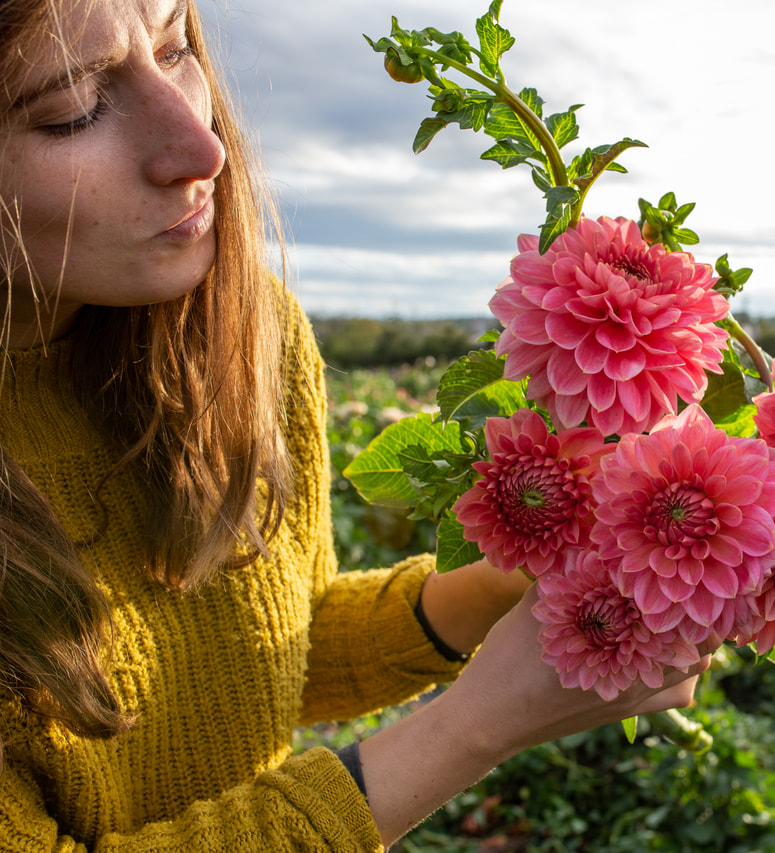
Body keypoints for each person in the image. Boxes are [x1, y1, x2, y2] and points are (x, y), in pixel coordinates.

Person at [0, 0, 710, 848]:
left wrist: (498, 582)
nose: (203, 147)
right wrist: (468, 730)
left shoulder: (238, 338)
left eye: (175, 45)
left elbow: (262, 654)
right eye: (72, 110)